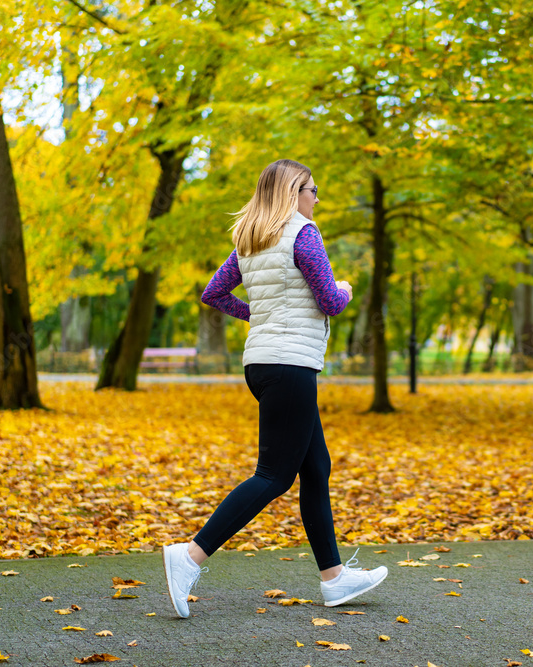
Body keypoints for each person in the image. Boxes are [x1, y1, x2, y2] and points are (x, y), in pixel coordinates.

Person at [161, 159, 387, 618]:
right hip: (289, 365)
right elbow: (329, 299)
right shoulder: (304, 232)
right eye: (311, 188)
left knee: (315, 466)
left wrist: (260, 318)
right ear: (292, 191)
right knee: (274, 476)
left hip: (263, 364)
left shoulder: (251, 237)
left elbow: (215, 293)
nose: (316, 197)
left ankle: (334, 578)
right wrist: (344, 286)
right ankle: (189, 556)